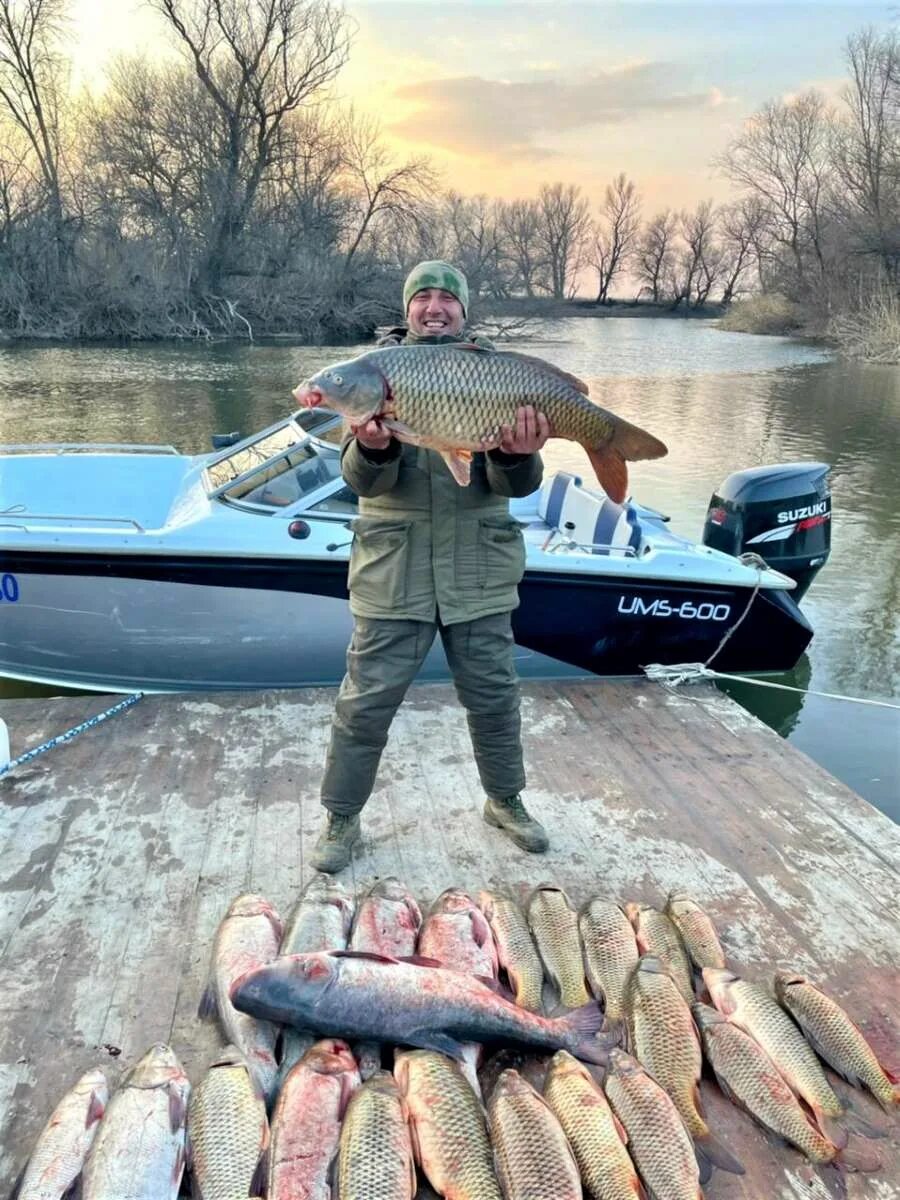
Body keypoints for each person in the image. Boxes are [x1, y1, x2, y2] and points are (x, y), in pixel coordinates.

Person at [311, 260, 551, 873]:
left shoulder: (496, 374)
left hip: (478, 569)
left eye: (448, 298)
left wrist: (519, 455)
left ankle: (506, 800)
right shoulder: (373, 377)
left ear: (464, 312)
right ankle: (342, 816)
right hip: (396, 570)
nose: (435, 308)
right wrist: (372, 444)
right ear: (408, 310)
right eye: (424, 298)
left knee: (495, 696)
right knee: (364, 703)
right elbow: (359, 481)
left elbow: (514, 485)